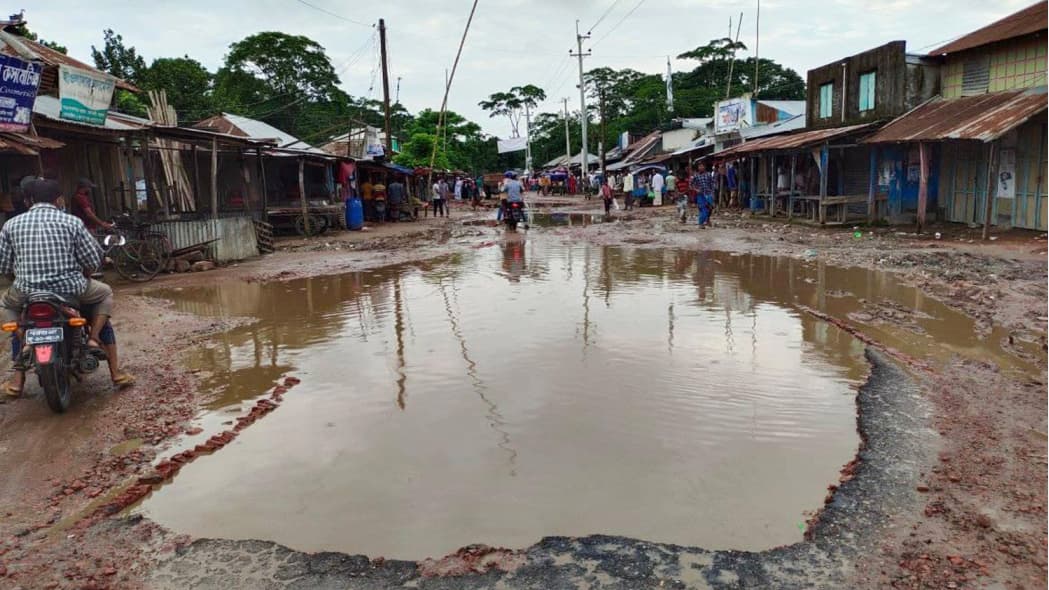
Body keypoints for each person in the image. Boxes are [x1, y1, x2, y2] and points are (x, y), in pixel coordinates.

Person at [0, 179, 134, 395]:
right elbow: (91, 261)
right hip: (70, 290)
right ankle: (104, 355)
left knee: (8, 305)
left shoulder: (11, 225)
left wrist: (19, 278)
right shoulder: (72, 223)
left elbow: (4, 266)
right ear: (58, 199)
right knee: (105, 294)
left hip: (27, 291)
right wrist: (87, 274)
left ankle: (18, 372)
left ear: (29, 200)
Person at [691, 162, 715, 228]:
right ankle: (701, 223)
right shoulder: (695, 176)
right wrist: (696, 190)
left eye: (702, 166)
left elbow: (712, 184)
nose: (701, 167)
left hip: (708, 193)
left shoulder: (709, 174)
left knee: (710, 208)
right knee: (702, 208)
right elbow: (691, 185)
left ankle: (707, 219)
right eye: (699, 166)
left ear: (705, 167)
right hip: (700, 195)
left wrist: (712, 193)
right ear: (698, 168)